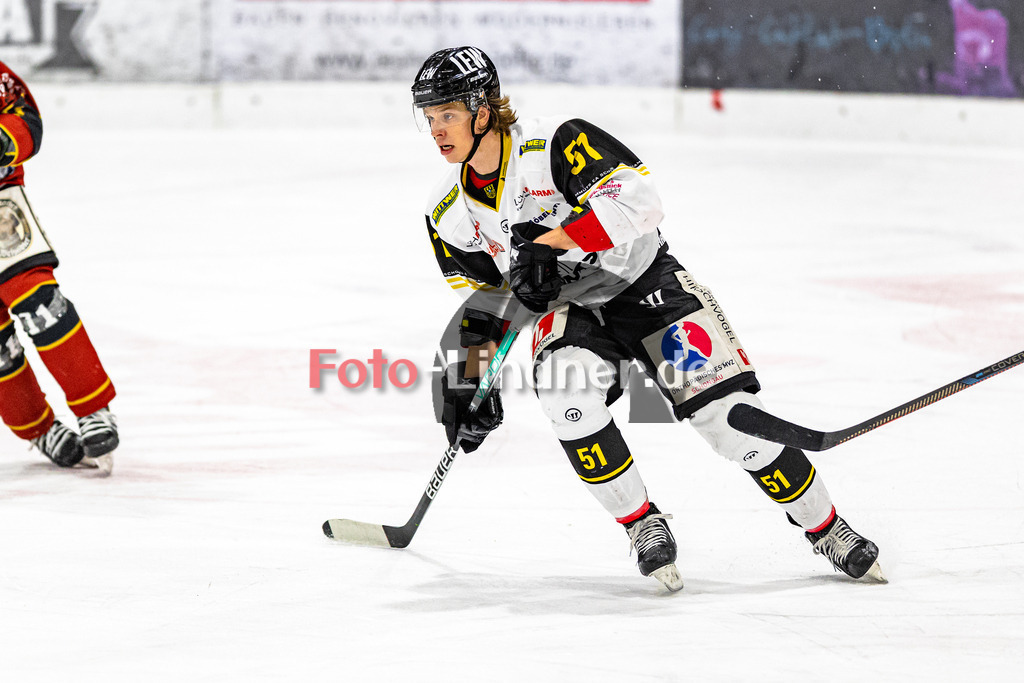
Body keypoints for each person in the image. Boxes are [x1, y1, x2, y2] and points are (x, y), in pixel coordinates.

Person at [415, 46, 884, 591]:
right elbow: (491, 300)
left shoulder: (556, 143)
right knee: (566, 396)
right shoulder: (445, 208)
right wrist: (469, 373)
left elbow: (641, 202)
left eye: (447, 114)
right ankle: (642, 525)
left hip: (645, 284)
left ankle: (827, 528)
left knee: (730, 424)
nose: (436, 131)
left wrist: (555, 241)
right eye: (428, 119)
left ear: (483, 111)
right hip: (577, 309)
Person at [0, 60, 118, 473]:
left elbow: (27, 121)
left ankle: (92, 409)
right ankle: (36, 427)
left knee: (42, 304)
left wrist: (3, 139)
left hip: (1, 211)